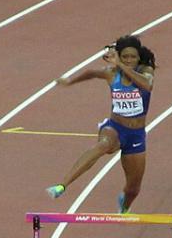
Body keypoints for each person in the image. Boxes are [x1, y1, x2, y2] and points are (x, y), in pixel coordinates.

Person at [47, 35, 156, 214]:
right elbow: (91, 73)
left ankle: (125, 204)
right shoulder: (111, 74)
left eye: (133, 57)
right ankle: (61, 185)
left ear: (139, 57)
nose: (129, 60)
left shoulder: (146, 71)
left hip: (136, 135)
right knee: (103, 145)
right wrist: (70, 82)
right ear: (119, 56)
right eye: (125, 57)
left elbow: (147, 85)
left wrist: (120, 64)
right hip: (115, 128)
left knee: (133, 189)